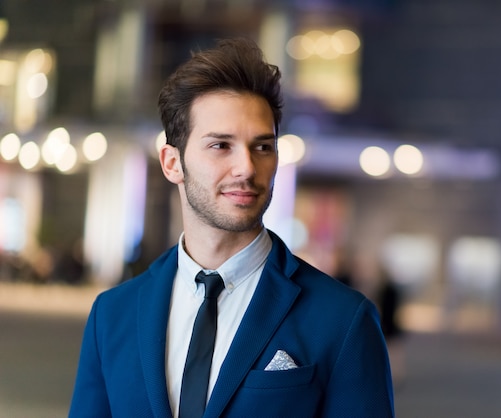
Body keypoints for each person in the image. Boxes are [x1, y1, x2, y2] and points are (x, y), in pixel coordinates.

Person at [69, 38, 394, 418]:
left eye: (262, 147)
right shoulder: (112, 315)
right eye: (221, 145)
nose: (246, 168)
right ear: (172, 163)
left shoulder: (342, 320)